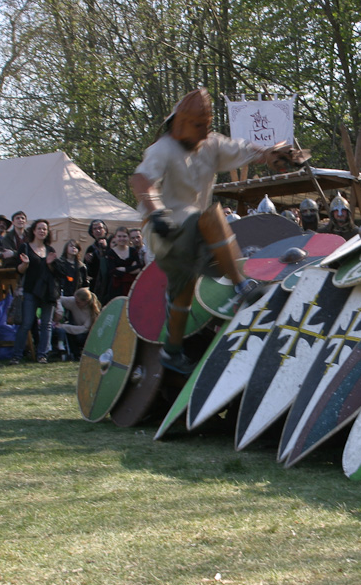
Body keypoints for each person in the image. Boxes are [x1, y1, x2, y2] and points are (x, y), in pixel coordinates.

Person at [128, 86, 301, 373]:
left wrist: (271, 154)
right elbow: (141, 180)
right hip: (164, 232)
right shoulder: (162, 149)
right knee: (209, 217)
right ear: (180, 123)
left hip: (194, 234)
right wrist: (155, 212)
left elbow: (246, 150)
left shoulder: (211, 144)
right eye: (196, 125)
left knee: (183, 292)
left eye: (205, 125)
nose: (202, 131)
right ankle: (242, 285)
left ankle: (172, 352)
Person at [11, 219, 58, 364]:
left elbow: (56, 272)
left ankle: (42, 355)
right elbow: (19, 271)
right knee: (26, 323)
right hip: (30, 291)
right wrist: (25, 264)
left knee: (46, 325)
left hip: (47, 293)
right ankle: (17, 356)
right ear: (33, 231)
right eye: (39, 228)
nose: (42, 231)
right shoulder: (25, 247)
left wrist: (50, 264)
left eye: (45, 229)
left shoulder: (50, 250)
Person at [54, 287, 101, 361]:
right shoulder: (74, 301)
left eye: (78, 302)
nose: (75, 303)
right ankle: (74, 354)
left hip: (87, 334)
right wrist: (59, 310)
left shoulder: (92, 312)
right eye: (75, 300)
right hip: (76, 327)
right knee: (69, 333)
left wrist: (63, 326)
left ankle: (80, 354)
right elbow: (59, 299)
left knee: (78, 336)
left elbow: (84, 329)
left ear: (86, 301)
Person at [103, 226, 143, 301]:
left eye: (124, 236)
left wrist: (124, 269)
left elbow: (139, 268)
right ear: (115, 237)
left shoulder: (133, 251)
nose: (122, 239)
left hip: (132, 287)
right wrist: (131, 270)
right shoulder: (111, 253)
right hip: (116, 288)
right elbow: (112, 271)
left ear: (128, 237)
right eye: (119, 236)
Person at [83, 219, 109, 303]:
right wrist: (88, 261)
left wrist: (106, 248)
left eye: (100, 228)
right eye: (95, 229)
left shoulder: (112, 244)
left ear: (105, 230)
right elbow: (88, 272)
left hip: (111, 284)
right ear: (92, 232)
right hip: (97, 286)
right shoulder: (91, 249)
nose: (98, 231)